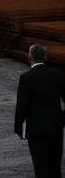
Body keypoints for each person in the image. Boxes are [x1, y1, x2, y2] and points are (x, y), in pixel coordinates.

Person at [15, 44, 65, 178]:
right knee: (55, 166)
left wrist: (19, 128)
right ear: (45, 57)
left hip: (35, 129)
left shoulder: (26, 78)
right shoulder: (58, 75)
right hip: (56, 127)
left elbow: (21, 105)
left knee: (40, 167)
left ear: (29, 57)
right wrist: (62, 118)